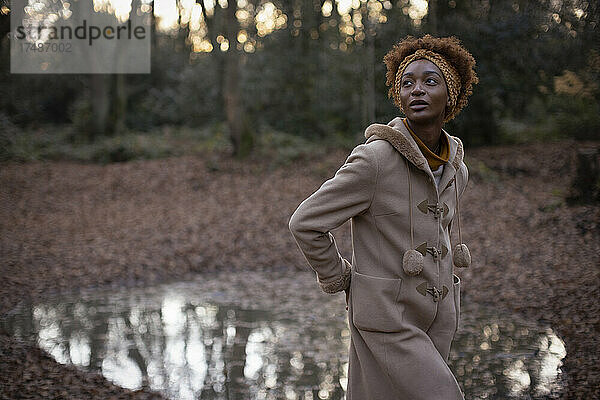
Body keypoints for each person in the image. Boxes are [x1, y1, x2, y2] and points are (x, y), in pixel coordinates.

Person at [288, 34, 478, 399]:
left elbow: (437, 235)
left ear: (450, 96)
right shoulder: (375, 159)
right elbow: (305, 223)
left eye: (430, 81)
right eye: (407, 83)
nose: (417, 90)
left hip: (437, 315)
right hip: (388, 317)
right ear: (399, 94)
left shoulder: (458, 170)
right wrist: (341, 278)